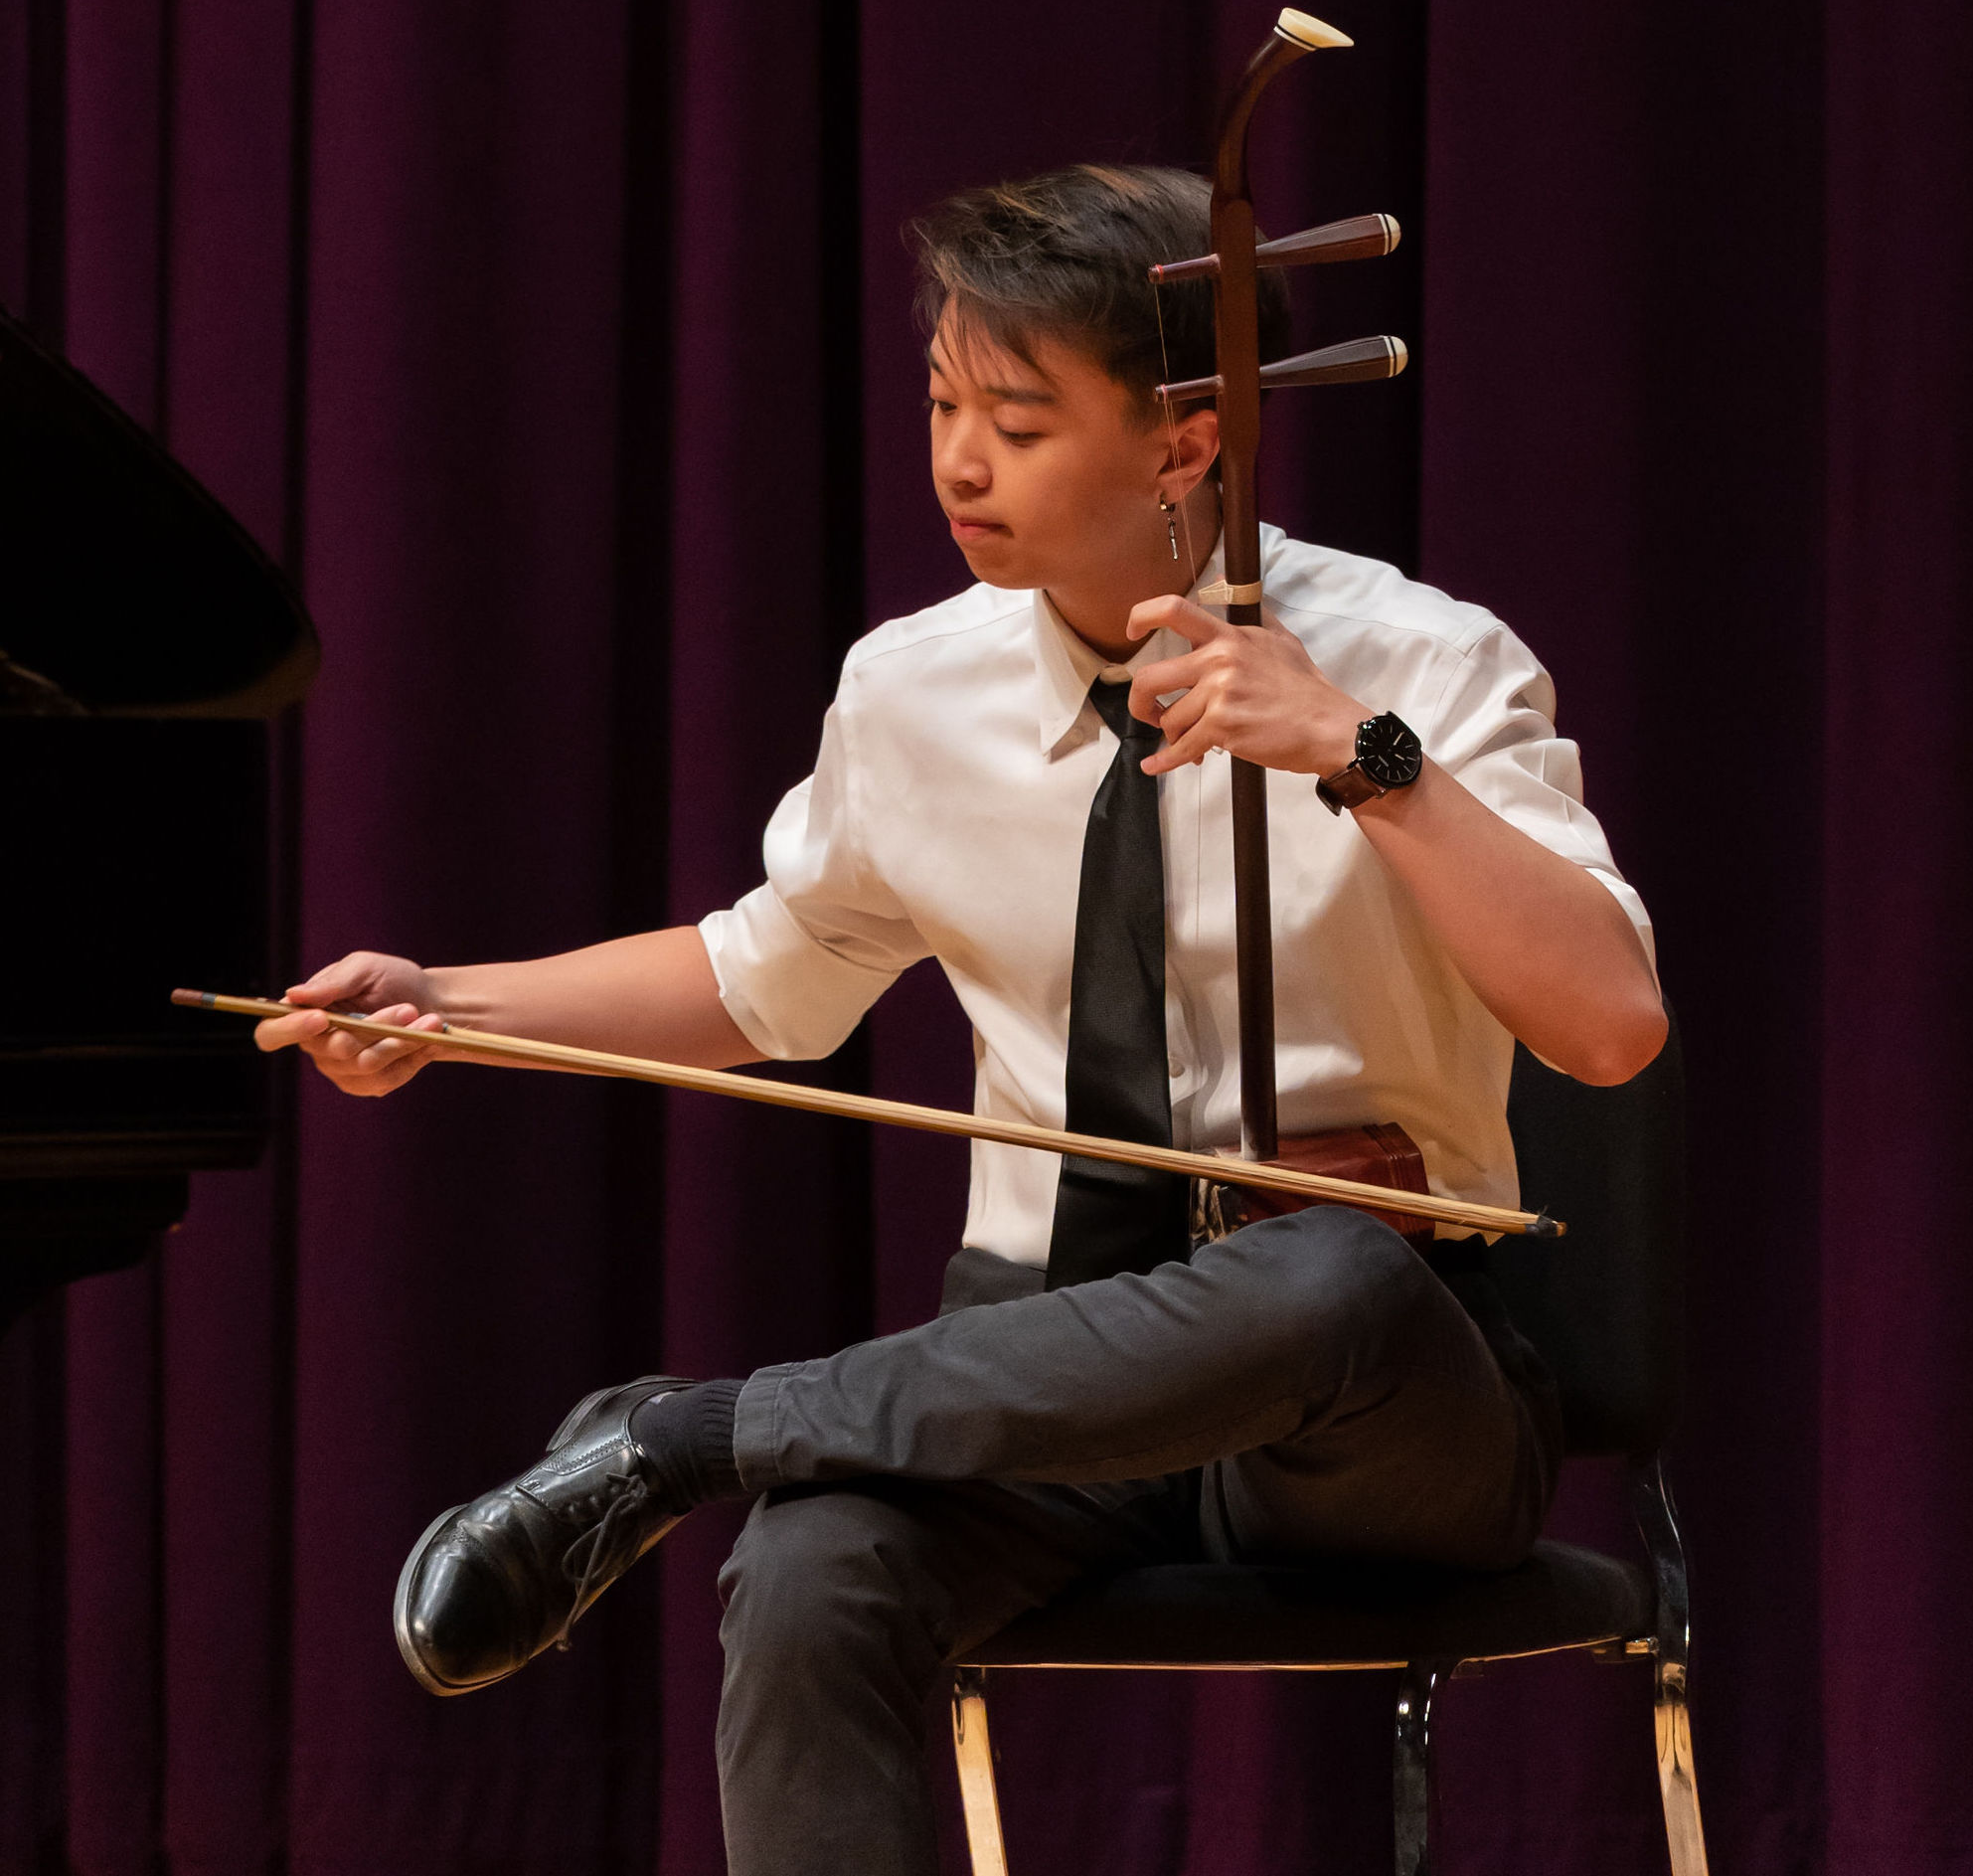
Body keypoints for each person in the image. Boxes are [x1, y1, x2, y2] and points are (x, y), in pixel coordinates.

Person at [258, 164, 1666, 1875]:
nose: (956, 461)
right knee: (808, 1566)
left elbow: (1605, 1026)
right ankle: (733, 1452)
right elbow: (763, 972)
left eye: (1015, 415)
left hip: (1375, 1406)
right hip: (1050, 1361)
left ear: (1185, 438)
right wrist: (450, 1002)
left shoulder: (1421, 663)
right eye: (940, 402)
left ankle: (683, 1433)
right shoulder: (911, 688)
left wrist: (1364, 758)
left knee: (1329, 1264)